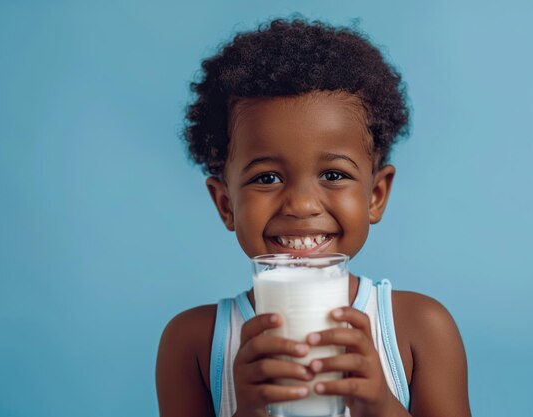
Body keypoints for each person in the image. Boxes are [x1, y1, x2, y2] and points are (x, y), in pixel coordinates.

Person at [156, 18, 471, 417]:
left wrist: (380, 406)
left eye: (334, 175)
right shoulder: (194, 343)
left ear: (376, 195)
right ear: (226, 205)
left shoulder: (421, 328)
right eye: (267, 178)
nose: (302, 205)